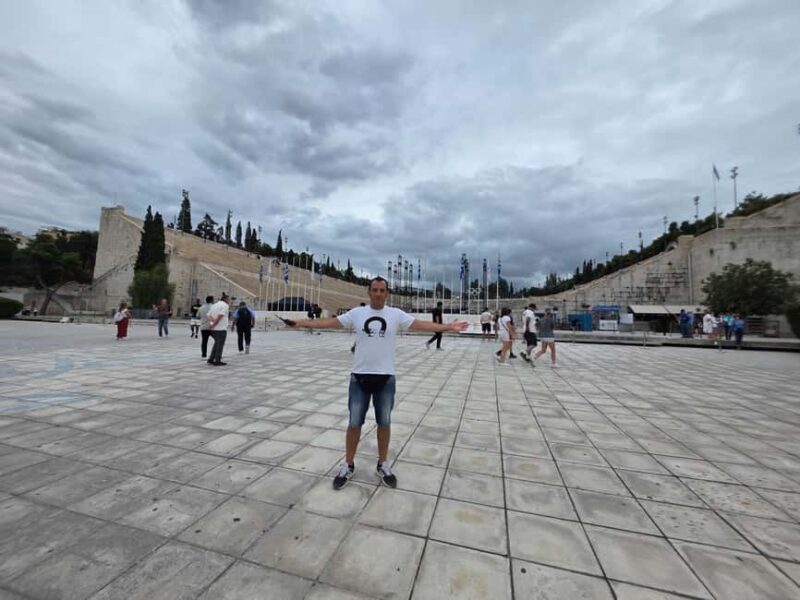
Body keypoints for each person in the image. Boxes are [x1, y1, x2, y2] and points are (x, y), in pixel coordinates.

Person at [286, 277, 468, 490]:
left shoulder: (395, 314)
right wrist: (300, 323)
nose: (378, 293)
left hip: (385, 379)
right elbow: (329, 322)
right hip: (359, 378)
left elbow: (421, 324)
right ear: (369, 292)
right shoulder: (357, 313)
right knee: (354, 424)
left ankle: (383, 464)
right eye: (375, 290)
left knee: (384, 423)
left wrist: (448, 327)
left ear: (387, 293)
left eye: (382, 290)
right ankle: (348, 464)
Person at [207, 293, 230, 366]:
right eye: (228, 299)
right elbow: (221, 315)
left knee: (216, 343)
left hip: (214, 329)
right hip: (221, 328)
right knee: (220, 345)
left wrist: (213, 322)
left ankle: (211, 359)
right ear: (226, 299)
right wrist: (214, 324)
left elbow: (208, 315)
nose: (229, 301)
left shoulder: (214, 305)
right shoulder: (225, 305)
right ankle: (217, 360)